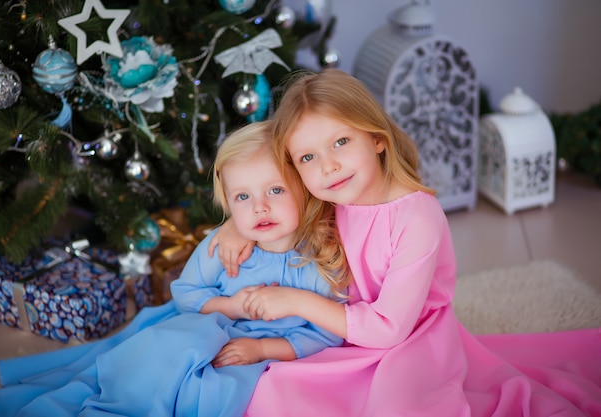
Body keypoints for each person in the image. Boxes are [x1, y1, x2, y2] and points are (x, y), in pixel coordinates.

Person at [208, 69, 601, 417]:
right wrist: (235, 226)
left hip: (410, 340)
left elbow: (390, 329)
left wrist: (297, 302)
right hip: (343, 330)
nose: (328, 166)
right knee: (273, 390)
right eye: (307, 157)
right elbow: (263, 195)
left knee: (398, 409)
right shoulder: (330, 194)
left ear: (377, 138)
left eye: (341, 142)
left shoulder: (417, 218)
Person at [0, 121, 343, 417]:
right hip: (207, 323)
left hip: (263, 349)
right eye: (242, 197)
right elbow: (187, 295)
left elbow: (326, 335)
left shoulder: (317, 261)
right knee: (170, 348)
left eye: (275, 191)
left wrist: (262, 348)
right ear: (228, 204)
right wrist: (230, 307)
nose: (259, 207)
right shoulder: (223, 245)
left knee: (217, 389)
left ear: (303, 189)